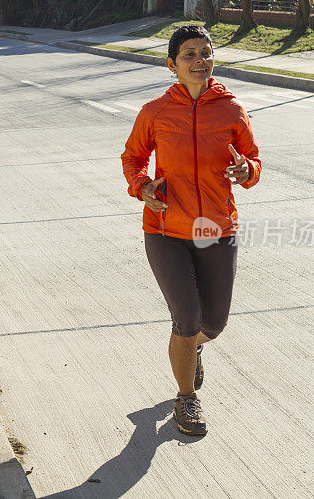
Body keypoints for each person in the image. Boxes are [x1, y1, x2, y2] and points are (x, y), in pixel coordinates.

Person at [121, 25, 261, 436]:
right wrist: (143, 187)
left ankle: (194, 347)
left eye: (206, 52)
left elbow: (252, 159)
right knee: (186, 318)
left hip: (216, 228)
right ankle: (186, 398)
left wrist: (245, 170)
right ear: (172, 65)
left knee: (213, 324)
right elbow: (133, 157)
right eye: (189, 55)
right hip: (165, 228)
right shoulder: (155, 112)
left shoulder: (232, 109)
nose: (200, 60)